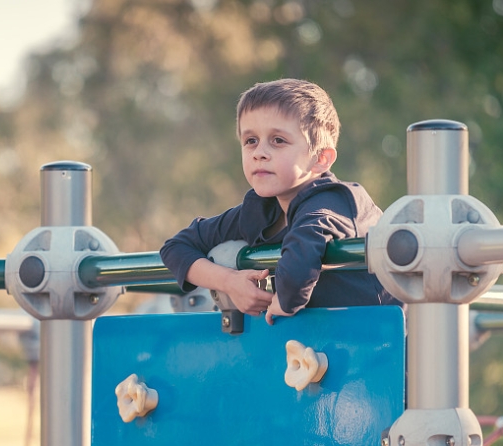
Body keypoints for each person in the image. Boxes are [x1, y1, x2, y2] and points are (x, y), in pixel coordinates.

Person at [160, 78, 402, 325]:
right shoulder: (257, 210)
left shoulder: (335, 201)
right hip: (315, 350)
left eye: (278, 140)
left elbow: (305, 247)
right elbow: (176, 247)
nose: (259, 152)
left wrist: (284, 301)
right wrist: (230, 282)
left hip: (381, 343)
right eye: (250, 140)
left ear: (321, 159)